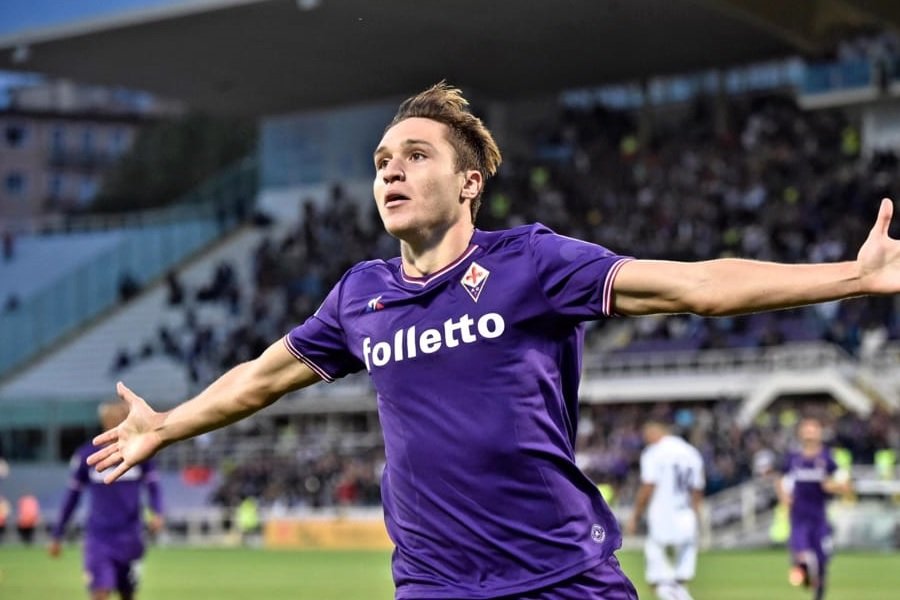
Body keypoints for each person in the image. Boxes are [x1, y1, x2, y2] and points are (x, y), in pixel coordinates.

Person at [88, 81, 900, 599]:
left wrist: (850, 278)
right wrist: (167, 425)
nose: (390, 171)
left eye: (416, 156)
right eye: (381, 160)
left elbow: (695, 286)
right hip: (434, 583)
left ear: (469, 182)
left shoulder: (531, 264)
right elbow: (261, 378)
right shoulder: (359, 296)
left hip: (561, 573)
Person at [50, 400, 163, 600]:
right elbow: (72, 496)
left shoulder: (139, 451)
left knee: (127, 593)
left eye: (120, 418)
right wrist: (58, 533)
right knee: (100, 592)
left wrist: (157, 512)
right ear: (104, 421)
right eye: (111, 418)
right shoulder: (87, 455)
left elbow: (153, 486)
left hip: (131, 535)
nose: (115, 422)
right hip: (99, 537)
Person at [627, 421, 705, 600]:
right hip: (685, 514)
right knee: (681, 576)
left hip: (662, 513)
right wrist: (696, 515)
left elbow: (648, 485)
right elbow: (697, 489)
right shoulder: (691, 452)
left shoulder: (654, 452)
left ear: (654, 433)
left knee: (657, 578)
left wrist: (635, 515)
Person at [775, 417, 851, 600]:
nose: (809, 434)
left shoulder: (828, 458)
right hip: (799, 518)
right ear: (800, 433)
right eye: (806, 430)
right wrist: (783, 496)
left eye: (813, 430)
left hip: (819, 518)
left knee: (822, 563)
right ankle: (803, 571)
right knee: (802, 558)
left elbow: (846, 485)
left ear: (819, 433)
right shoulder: (793, 459)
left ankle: (817, 593)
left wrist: (832, 486)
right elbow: (780, 479)